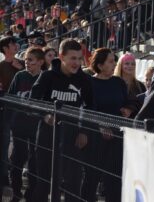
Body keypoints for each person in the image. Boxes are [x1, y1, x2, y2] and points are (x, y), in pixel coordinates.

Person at [30, 38, 94, 202]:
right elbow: (33, 101)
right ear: (62, 57)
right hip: (46, 136)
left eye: (80, 58)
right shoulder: (47, 76)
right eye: (73, 58)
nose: (77, 63)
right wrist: (45, 115)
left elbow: (90, 107)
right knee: (44, 183)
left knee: (73, 184)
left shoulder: (84, 80)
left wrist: (84, 131)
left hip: (72, 138)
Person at [81, 48, 135, 202]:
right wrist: (100, 125)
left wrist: (128, 109)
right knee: (91, 178)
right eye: (111, 61)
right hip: (95, 137)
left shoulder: (118, 82)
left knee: (114, 181)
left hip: (117, 137)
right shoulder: (89, 83)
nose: (114, 64)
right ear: (100, 65)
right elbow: (88, 109)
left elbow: (129, 101)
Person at [8, 47, 45, 202]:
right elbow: (11, 97)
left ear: (40, 62)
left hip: (37, 127)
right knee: (18, 158)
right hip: (19, 125)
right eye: (26, 60)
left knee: (35, 162)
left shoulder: (46, 78)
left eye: (31, 60)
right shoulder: (19, 76)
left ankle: (31, 194)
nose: (27, 63)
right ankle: (16, 192)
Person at [0, 36, 24, 196]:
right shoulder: (1, 66)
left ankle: (17, 184)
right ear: (6, 48)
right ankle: (5, 181)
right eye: (13, 44)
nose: (16, 46)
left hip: (24, 111)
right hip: (7, 111)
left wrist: (19, 69)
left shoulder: (22, 64)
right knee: (5, 146)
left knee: (21, 148)